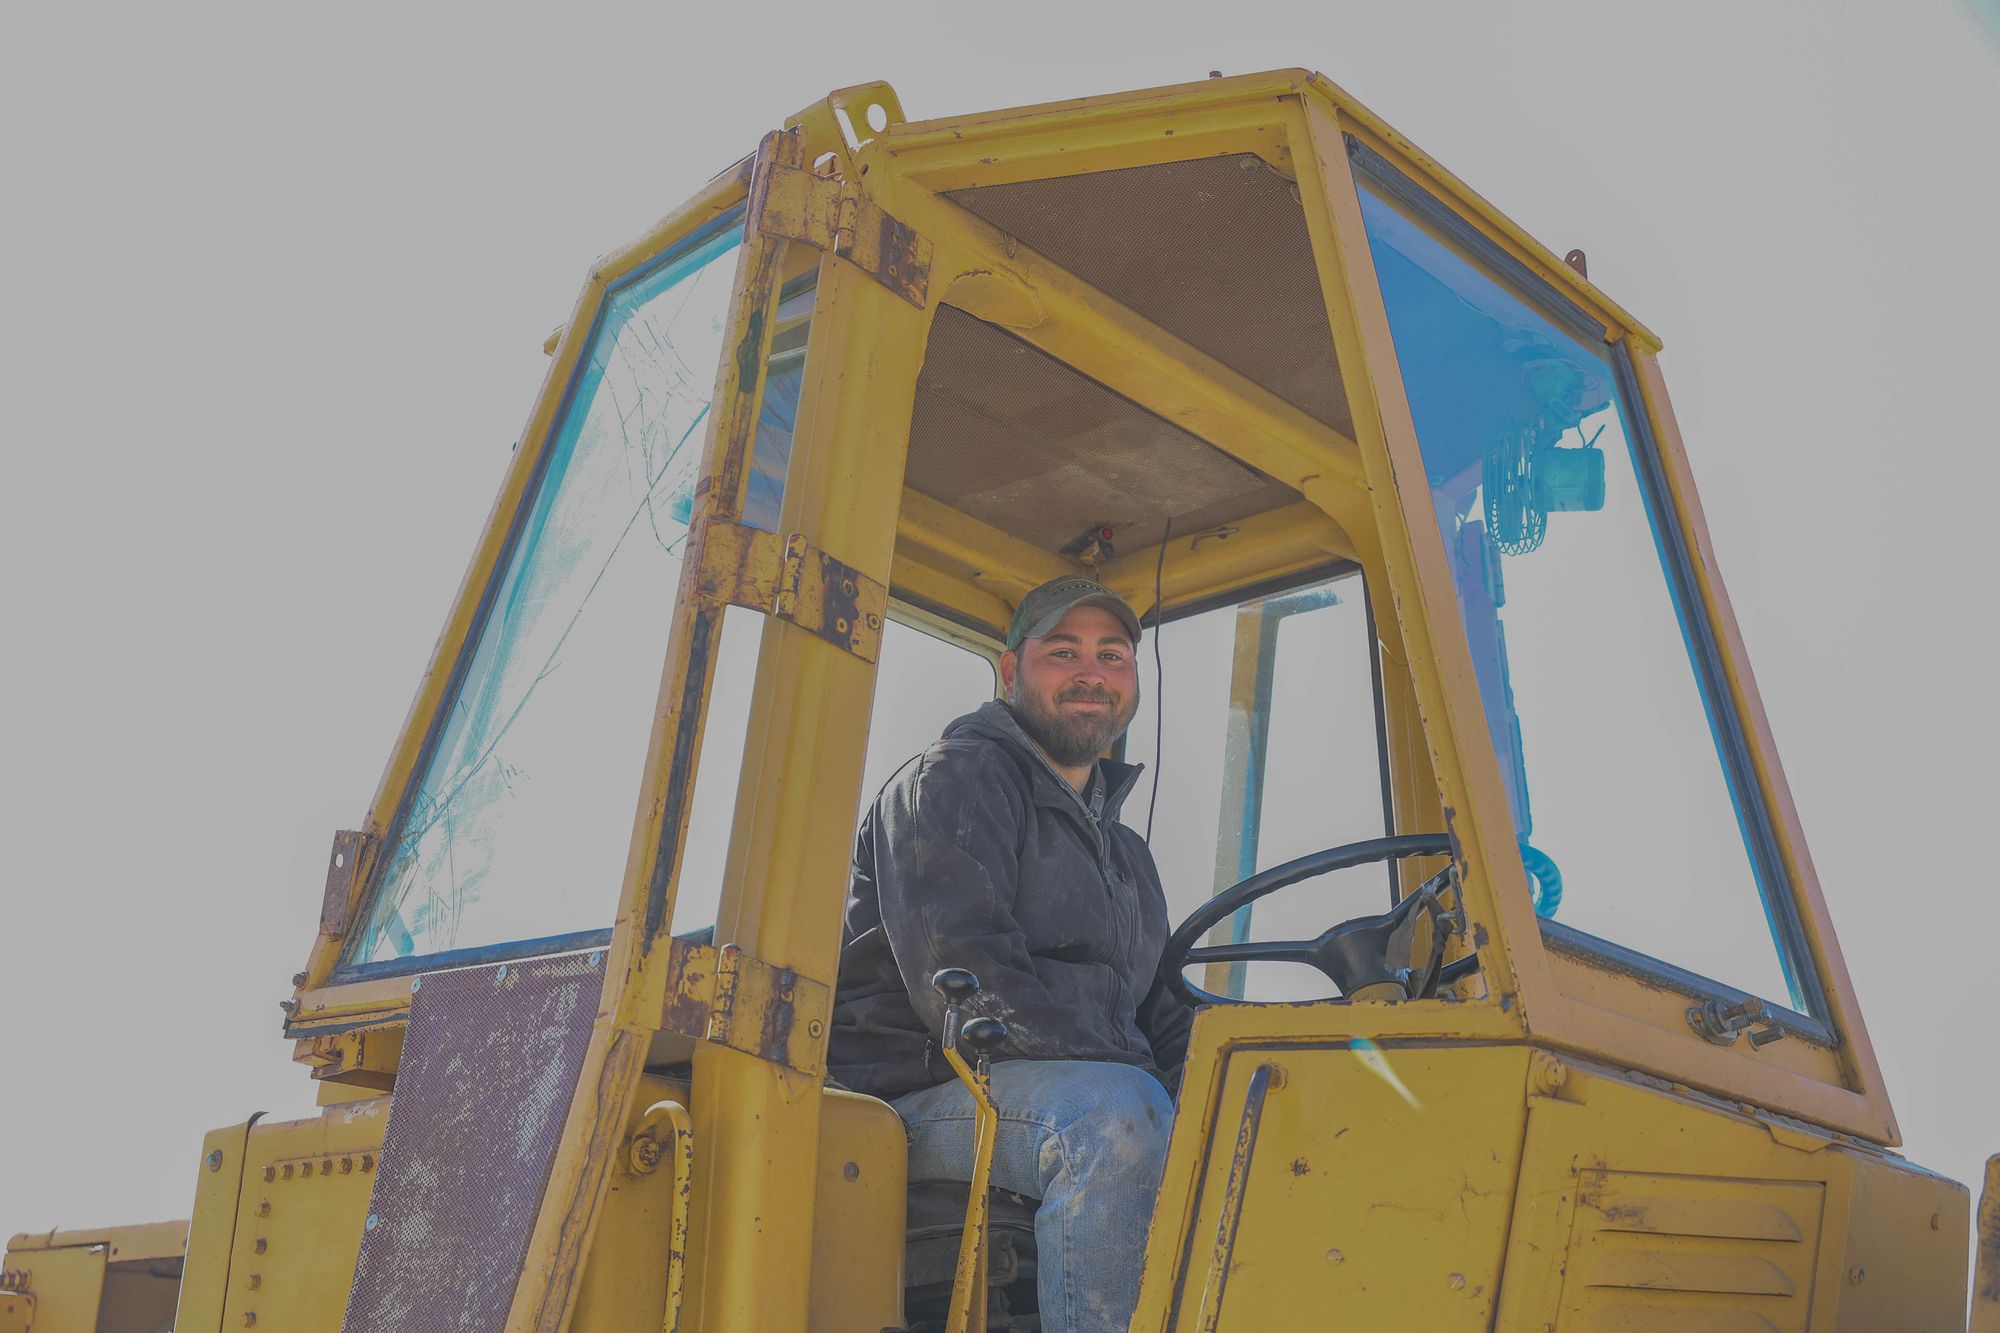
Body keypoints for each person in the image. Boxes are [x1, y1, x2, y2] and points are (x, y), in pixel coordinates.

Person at [828, 574, 1195, 1333]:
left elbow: (1163, 1012)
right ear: (1009, 670)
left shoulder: (1127, 854)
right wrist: (1146, 1083)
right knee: (1114, 1117)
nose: (1091, 672)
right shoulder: (955, 780)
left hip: (1057, 1089)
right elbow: (969, 988)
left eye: (1112, 655)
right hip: (923, 1095)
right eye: (1063, 652)